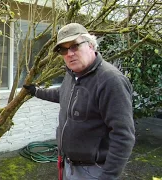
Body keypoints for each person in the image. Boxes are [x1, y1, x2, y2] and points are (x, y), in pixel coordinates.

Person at [23, 23, 135, 180]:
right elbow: (63, 94)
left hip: (94, 171)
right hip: (68, 164)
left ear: (91, 45)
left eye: (75, 46)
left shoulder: (110, 81)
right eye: (63, 49)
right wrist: (36, 92)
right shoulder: (73, 74)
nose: (69, 53)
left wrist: (108, 177)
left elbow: (123, 136)